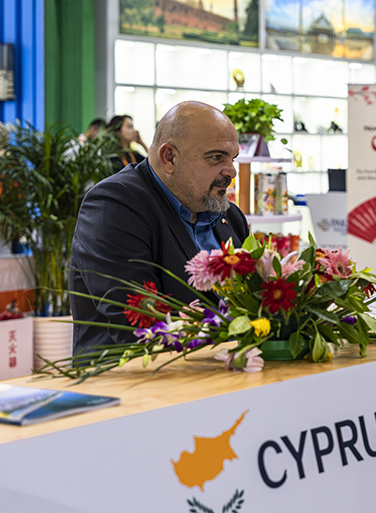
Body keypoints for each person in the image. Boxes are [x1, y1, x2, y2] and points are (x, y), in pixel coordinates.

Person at [70, 102, 249, 355]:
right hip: (140, 376)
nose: (231, 171)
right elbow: (140, 325)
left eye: (233, 158)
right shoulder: (115, 204)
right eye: (216, 157)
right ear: (169, 158)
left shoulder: (230, 216)